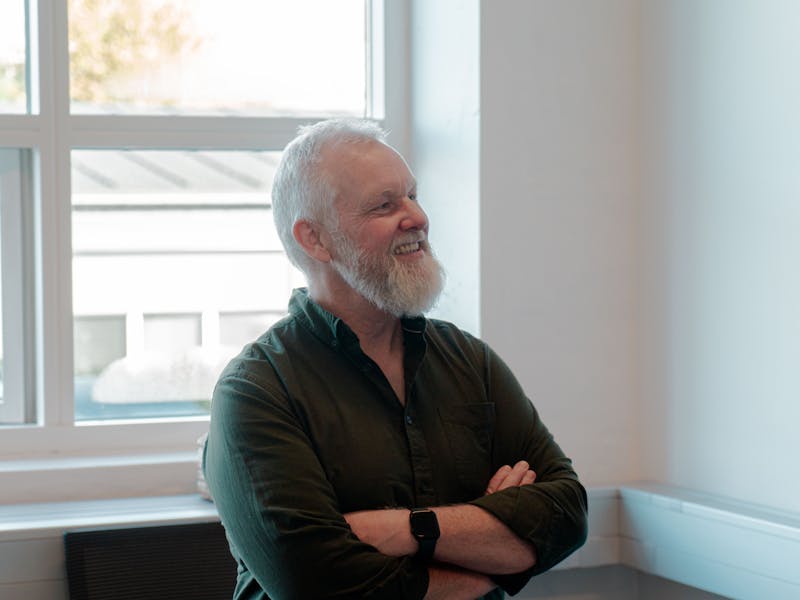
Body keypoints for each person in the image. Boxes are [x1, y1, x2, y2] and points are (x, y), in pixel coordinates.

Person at [203, 118, 587, 599]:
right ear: (315, 239)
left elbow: (567, 515)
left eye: (413, 196)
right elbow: (314, 582)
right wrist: (490, 558)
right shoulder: (257, 390)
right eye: (385, 205)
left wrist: (407, 530)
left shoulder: (470, 362)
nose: (417, 218)